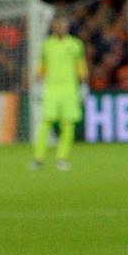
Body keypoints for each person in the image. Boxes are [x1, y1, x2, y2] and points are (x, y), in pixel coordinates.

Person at [31, 16, 88, 171]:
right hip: (51, 89)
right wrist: (37, 84)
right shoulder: (47, 45)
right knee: (45, 123)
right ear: (53, 27)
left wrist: (84, 85)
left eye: (63, 25)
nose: (61, 27)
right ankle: (38, 158)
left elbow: (80, 65)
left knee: (67, 125)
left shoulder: (75, 44)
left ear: (67, 26)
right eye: (58, 25)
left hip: (70, 89)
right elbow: (42, 66)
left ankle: (62, 158)